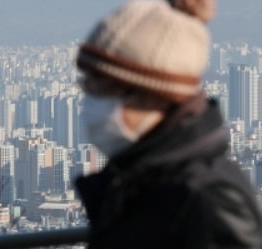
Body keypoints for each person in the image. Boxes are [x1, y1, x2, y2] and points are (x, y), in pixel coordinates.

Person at [75, 1, 262, 249]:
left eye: (103, 89)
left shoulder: (207, 198)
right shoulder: (139, 180)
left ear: (155, 95)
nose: (90, 101)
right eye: (87, 85)